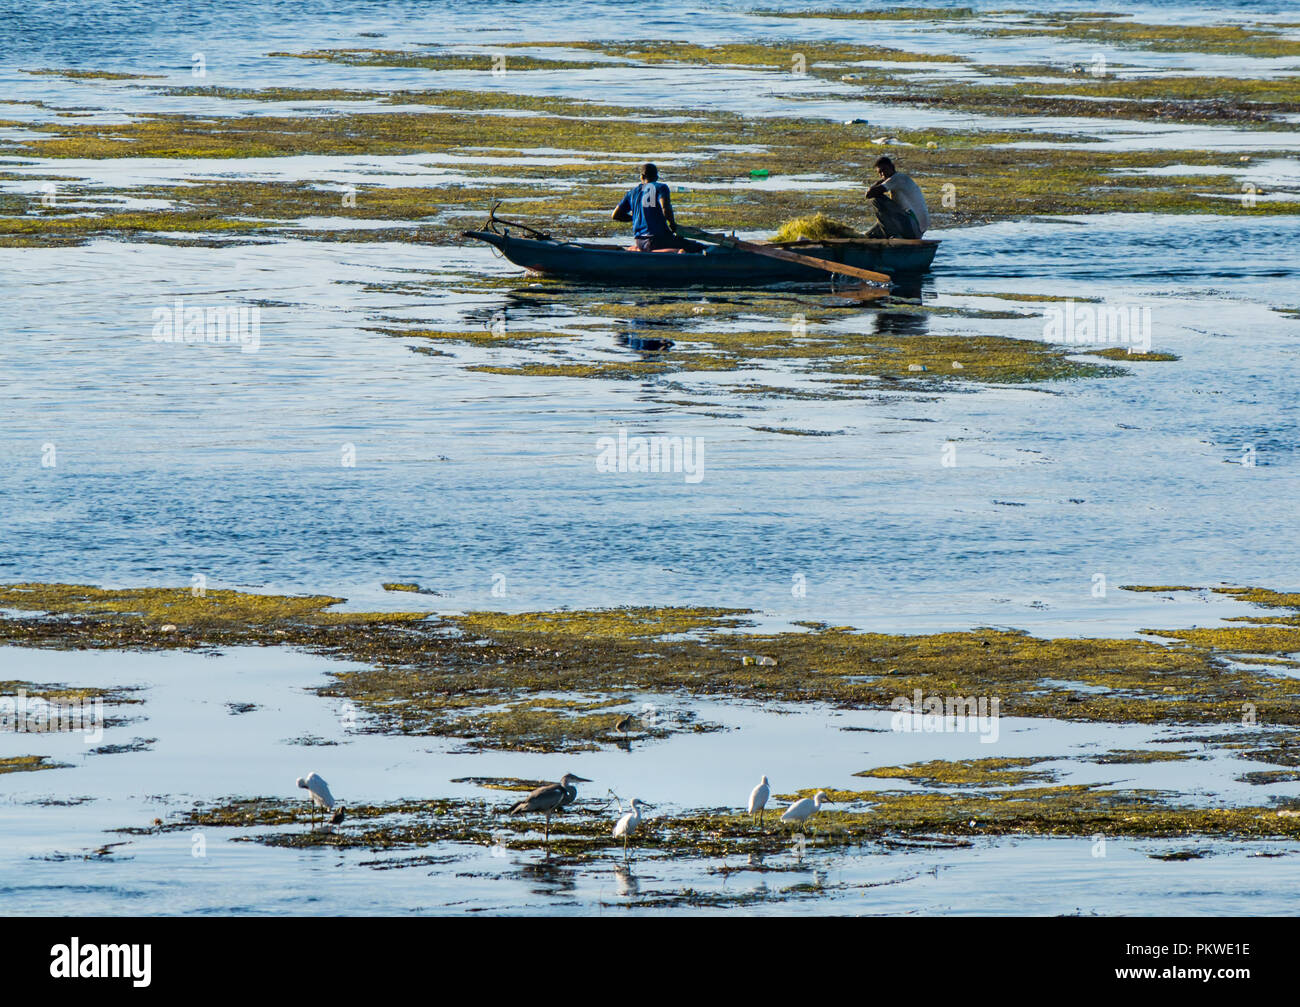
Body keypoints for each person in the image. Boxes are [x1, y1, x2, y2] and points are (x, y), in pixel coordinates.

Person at [612, 163, 702, 252]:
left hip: (640, 241)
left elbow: (616, 215)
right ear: (656, 177)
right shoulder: (661, 187)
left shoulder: (631, 193)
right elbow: (665, 208)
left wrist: (636, 218)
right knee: (698, 247)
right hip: (658, 240)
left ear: (641, 177)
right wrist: (672, 225)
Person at [864, 156, 930, 239]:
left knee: (876, 199)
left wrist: (881, 181)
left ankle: (893, 236)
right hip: (914, 229)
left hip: (913, 228)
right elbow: (887, 216)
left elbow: (869, 194)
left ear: (892, 167)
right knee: (869, 235)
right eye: (880, 172)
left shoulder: (898, 178)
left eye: (884, 170)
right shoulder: (896, 180)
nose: (883, 174)